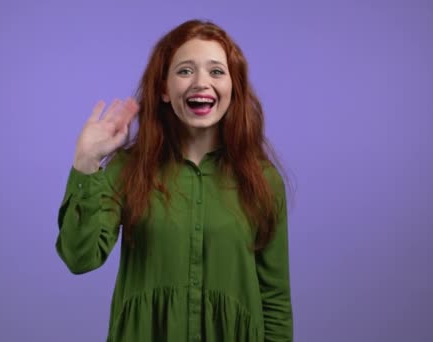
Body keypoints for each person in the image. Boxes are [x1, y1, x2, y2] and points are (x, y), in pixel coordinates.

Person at [56, 19, 294, 342]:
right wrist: (86, 161)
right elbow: (79, 257)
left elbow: (275, 300)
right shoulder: (129, 169)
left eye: (216, 71)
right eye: (185, 71)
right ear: (165, 90)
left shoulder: (263, 180)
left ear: (233, 87)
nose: (201, 82)